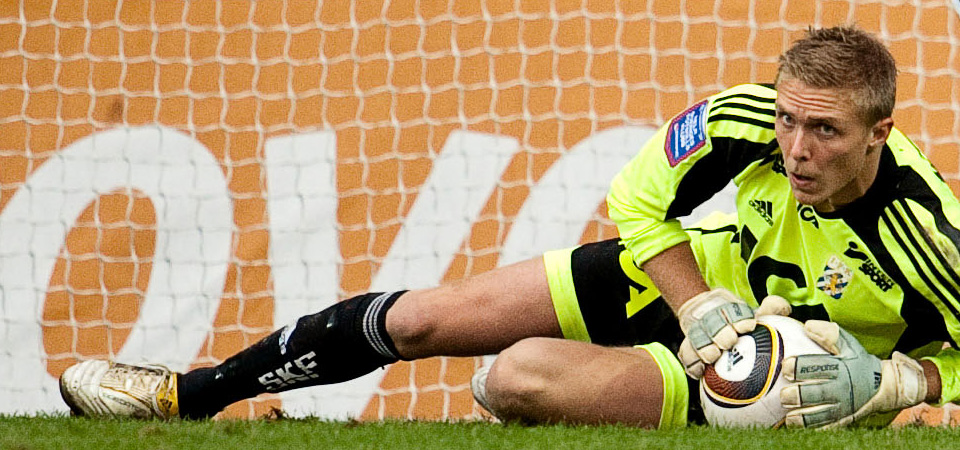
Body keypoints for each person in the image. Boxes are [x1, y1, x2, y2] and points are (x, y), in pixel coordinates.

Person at [59, 25, 957, 429]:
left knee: (512, 379)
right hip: (701, 285)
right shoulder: (741, 123)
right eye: (788, 122)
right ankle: (190, 394)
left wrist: (903, 386)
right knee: (421, 321)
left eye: (824, 131)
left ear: (879, 133)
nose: (795, 147)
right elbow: (638, 202)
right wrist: (696, 305)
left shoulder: (930, 232)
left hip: (763, 376)